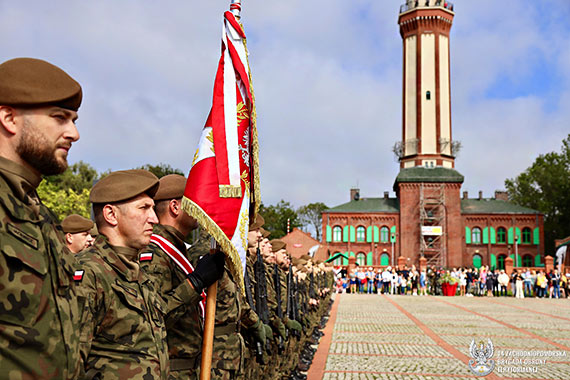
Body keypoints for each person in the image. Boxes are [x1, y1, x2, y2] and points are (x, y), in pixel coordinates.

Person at [0, 57, 84, 379]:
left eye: (74, 119)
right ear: (9, 118)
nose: (74, 133)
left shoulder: (39, 213)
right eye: (60, 118)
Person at [138, 174, 225, 379]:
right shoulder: (155, 252)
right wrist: (195, 282)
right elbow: (156, 316)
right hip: (170, 370)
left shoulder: (176, 248)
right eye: (193, 202)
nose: (199, 208)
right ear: (175, 207)